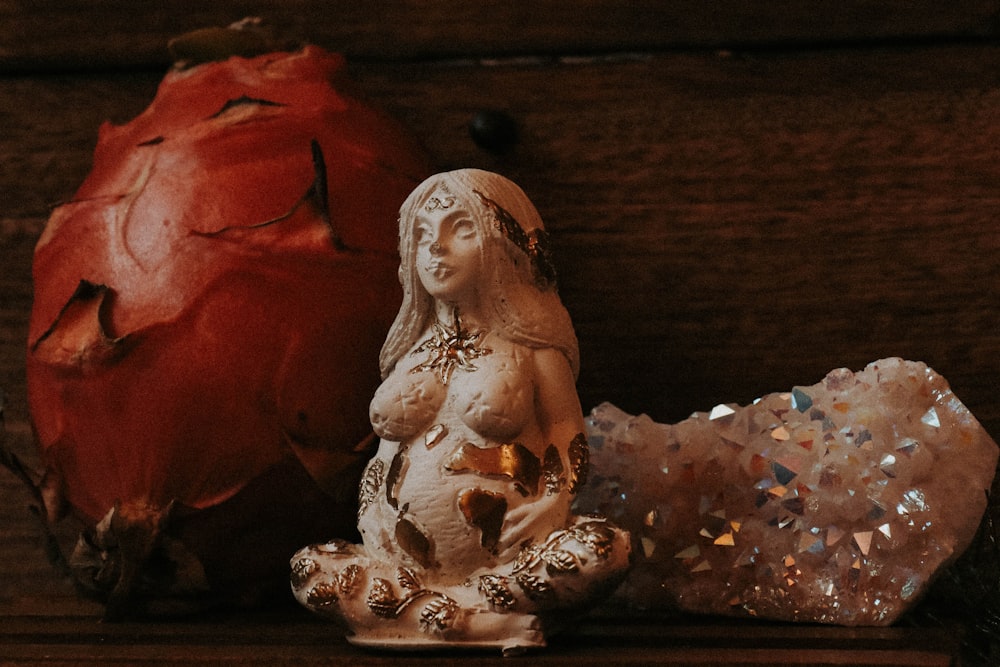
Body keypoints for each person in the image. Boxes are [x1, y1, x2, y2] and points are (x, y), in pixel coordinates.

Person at [291, 170, 630, 653]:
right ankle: (477, 622)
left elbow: (564, 430)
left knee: (603, 549)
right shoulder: (409, 354)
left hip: (512, 559)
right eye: (423, 235)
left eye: (461, 229)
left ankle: (428, 614)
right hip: (399, 564)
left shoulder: (534, 350)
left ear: (506, 243)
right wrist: (370, 516)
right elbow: (385, 458)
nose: (436, 249)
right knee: (310, 568)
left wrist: (553, 504)